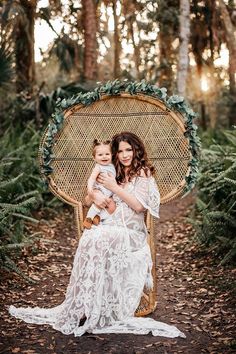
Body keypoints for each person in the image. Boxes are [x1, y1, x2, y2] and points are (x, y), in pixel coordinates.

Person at [8, 132, 186, 338]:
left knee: (100, 237)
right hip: (111, 224)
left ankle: (99, 307)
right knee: (91, 236)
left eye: (129, 149)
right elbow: (87, 199)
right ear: (115, 154)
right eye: (120, 151)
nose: (125, 155)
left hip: (132, 232)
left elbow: (138, 206)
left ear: (137, 149)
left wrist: (114, 188)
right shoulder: (114, 170)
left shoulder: (143, 173)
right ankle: (88, 304)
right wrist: (94, 194)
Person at [83, 139, 116, 229]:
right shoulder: (99, 167)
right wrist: (90, 190)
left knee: (112, 206)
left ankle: (99, 217)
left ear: (112, 155)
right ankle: (89, 218)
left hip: (110, 193)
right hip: (100, 190)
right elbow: (91, 179)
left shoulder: (113, 166)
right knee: (99, 201)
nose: (104, 157)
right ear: (94, 158)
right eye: (100, 155)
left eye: (107, 154)